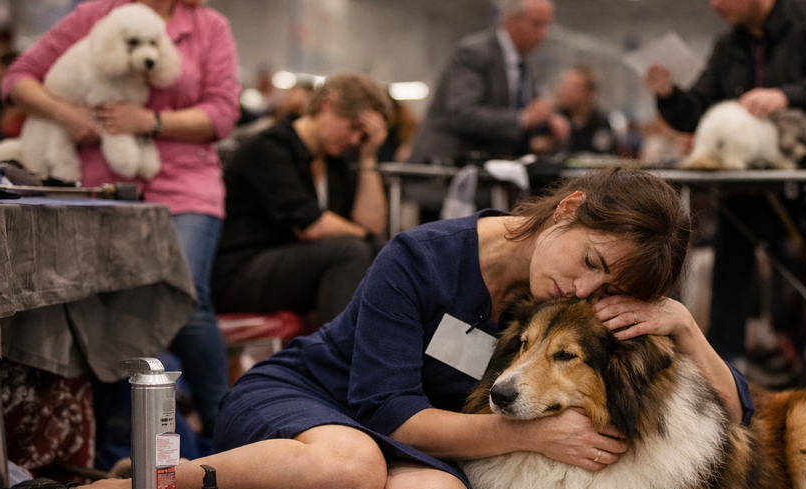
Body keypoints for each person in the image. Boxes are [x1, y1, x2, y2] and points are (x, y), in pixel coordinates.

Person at [0, 169, 754, 489]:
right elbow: (389, 411)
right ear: (571, 209)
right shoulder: (421, 256)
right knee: (350, 471)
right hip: (314, 401)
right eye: (588, 258)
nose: (582, 285)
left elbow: (732, 408)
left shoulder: (572, 312)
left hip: (413, 452)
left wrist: (684, 328)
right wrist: (528, 435)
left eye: (605, 282)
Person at [1, 0, 241, 440]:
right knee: (107, 312)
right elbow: (17, 79)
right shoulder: (95, 14)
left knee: (187, 301)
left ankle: (224, 425)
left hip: (185, 182)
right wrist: (66, 115)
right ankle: (121, 437)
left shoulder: (209, 27)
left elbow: (223, 113)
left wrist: (150, 120)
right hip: (104, 188)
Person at [644, 0, 806, 386]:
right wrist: (670, 95)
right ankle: (724, 369)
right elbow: (697, 110)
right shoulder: (729, 46)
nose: (715, 4)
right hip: (761, 177)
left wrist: (786, 95)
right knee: (732, 255)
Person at [213, 73, 391, 326]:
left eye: (362, 137)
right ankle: (338, 360)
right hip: (238, 273)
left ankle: (364, 352)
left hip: (287, 267)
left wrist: (368, 158)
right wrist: (376, 243)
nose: (354, 141)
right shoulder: (269, 148)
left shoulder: (336, 163)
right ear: (327, 105)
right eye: (353, 128)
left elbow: (371, 226)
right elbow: (311, 226)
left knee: (365, 253)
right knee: (352, 252)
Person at [410, 0, 569, 163]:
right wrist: (524, 118)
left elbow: (514, 126)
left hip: (493, 170)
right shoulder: (473, 54)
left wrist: (547, 126)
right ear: (511, 19)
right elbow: (463, 114)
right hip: (444, 169)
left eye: (547, 26)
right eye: (537, 24)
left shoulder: (528, 69)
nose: (544, 34)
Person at [553, 64, 616, 155]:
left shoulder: (601, 122)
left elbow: (605, 154)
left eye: (573, 87)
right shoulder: (556, 118)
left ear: (589, 92)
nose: (565, 91)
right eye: (564, 86)